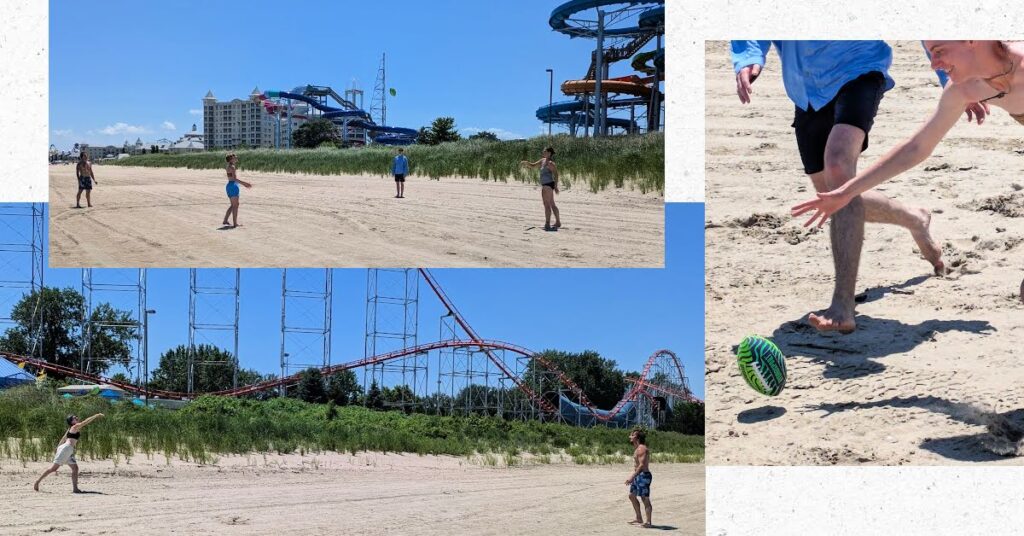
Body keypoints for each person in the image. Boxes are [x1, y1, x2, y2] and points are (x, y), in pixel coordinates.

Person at [733, 40, 952, 333]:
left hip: (859, 66)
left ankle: (842, 305)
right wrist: (748, 54)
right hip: (805, 87)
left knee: (838, 165)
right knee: (831, 195)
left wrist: (952, 74)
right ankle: (913, 218)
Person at [792, 40, 1023, 298]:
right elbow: (916, 148)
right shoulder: (963, 89)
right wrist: (846, 191)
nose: (934, 63)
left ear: (971, 41)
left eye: (939, 51)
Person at [34, 413, 104, 493]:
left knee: (75, 468)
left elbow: (64, 438)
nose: (76, 418)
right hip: (66, 449)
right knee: (54, 468)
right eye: (74, 418)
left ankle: (75, 489)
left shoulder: (70, 428)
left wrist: (57, 447)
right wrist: (96, 415)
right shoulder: (74, 427)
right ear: (71, 421)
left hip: (68, 450)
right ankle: (37, 481)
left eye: (76, 417)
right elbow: (85, 422)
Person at [520, 147, 561, 231]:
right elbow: (533, 165)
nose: (543, 152)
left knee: (547, 204)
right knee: (552, 203)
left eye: (545, 151)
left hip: (548, 185)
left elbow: (556, 174)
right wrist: (526, 163)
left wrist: (556, 186)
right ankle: (558, 222)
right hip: (546, 185)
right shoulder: (542, 160)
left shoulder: (550, 163)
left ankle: (547, 224)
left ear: (549, 153)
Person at [625, 429, 653, 528]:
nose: (630, 436)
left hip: (643, 475)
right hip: (638, 475)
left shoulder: (641, 448)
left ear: (637, 438)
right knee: (632, 496)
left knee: (644, 498)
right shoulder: (637, 448)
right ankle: (639, 518)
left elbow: (641, 465)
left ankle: (648, 522)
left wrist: (632, 477)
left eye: (632, 435)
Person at [222, 153, 252, 227]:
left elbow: (231, 178)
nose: (236, 158)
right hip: (233, 186)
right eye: (235, 157)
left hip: (229, 185)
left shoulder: (228, 166)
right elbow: (234, 179)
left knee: (234, 205)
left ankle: (225, 220)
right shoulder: (232, 167)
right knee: (235, 205)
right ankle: (235, 223)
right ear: (231, 159)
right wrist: (245, 184)